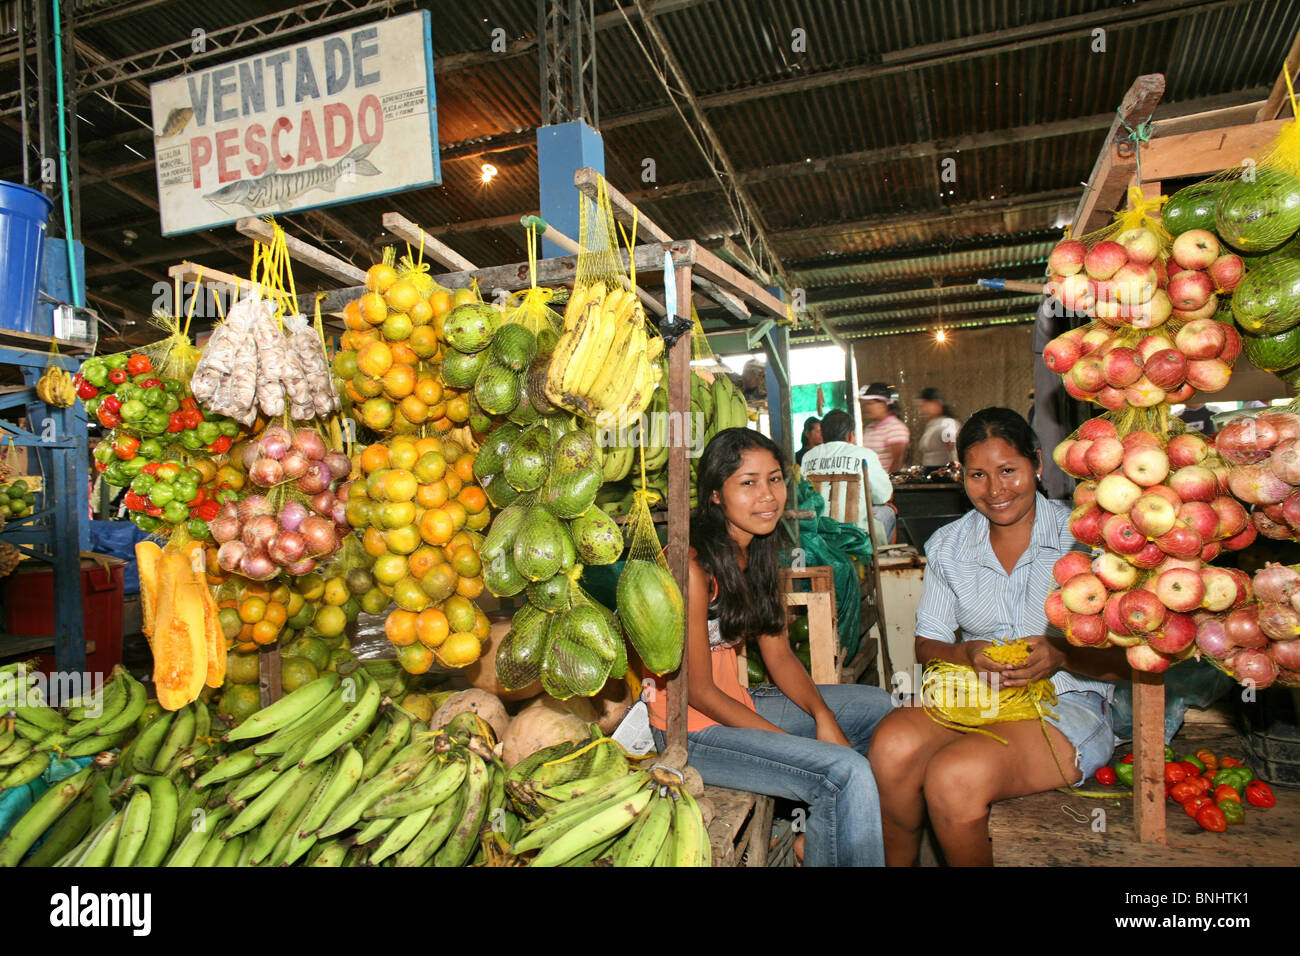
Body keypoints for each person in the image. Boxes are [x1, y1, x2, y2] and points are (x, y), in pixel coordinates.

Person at [867, 407, 1126, 867]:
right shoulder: (949, 544)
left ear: (1037, 464)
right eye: (977, 475)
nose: (995, 490)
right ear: (961, 476)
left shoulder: (1085, 538)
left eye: (1009, 470)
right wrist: (966, 653)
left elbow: (1127, 663)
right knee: (889, 746)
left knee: (953, 776)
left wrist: (1062, 655)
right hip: (974, 692)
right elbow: (927, 645)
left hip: (1067, 703)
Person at [646, 427, 894, 867]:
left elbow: (778, 654)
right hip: (690, 733)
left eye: (775, 479)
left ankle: (821, 839)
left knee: (877, 705)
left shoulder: (755, 550)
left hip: (737, 702)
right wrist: (801, 750)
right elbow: (698, 691)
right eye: (748, 482)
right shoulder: (690, 565)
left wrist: (823, 717)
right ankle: (830, 825)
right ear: (716, 495)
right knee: (843, 771)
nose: (768, 496)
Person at [799, 408, 896, 544]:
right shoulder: (865, 455)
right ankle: (878, 560)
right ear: (850, 435)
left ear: (824, 434)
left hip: (818, 534)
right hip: (856, 535)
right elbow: (883, 496)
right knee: (888, 511)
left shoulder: (808, 457)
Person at [859, 382, 910, 473]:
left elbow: (898, 460)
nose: (866, 408)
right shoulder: (869, 428)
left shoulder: (895, 427)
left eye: (870, 403)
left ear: (884, 404)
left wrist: (887, 482)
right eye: (865, 404)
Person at [917, 388, 960, 475]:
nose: (922, 410)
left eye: (925, 405)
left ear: (937, 403)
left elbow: (953, 448)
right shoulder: (931, 425)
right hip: (928, 470)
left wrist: (954, 470)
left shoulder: (947, 423)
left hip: (942, 471)